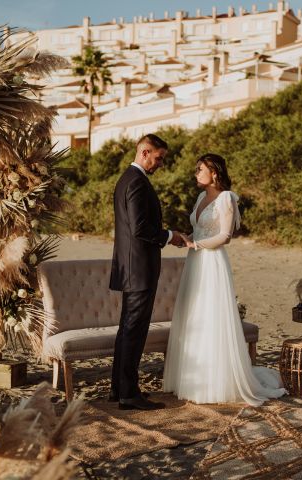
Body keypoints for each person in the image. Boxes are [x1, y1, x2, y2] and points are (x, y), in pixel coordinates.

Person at [163, 153, 286, 406]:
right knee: (194, 315)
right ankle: (192, 380)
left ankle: (215, 383)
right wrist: (182, 238)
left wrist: (195, 243)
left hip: (212, 262)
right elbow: (197, 230)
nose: (196, 173)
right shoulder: (199, 197)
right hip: (195, 261)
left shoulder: (226, 198)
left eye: (200, 169)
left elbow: (225, 236)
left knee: (211, 317)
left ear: (214, 172)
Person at [109, 133, 185, 411]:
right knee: (134, 331)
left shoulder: (127, 180)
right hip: (139, 268)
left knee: (127, 330)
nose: (161, 163)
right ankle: (128, 394)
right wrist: (169, 236)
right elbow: (140, 229)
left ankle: (118, 389)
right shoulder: (137, 183)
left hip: (131, 267)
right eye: (159, 157)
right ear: (145, 152)